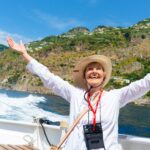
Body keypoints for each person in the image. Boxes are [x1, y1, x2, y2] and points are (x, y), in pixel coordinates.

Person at [7, 37, 150, 150]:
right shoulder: (75, 94)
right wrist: (25, 55)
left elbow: (143, 84)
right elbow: (49, 77)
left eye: (98, 68)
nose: (94, 71)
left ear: (104, 75)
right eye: (90, 69)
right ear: (84, 76)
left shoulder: (116, 97)